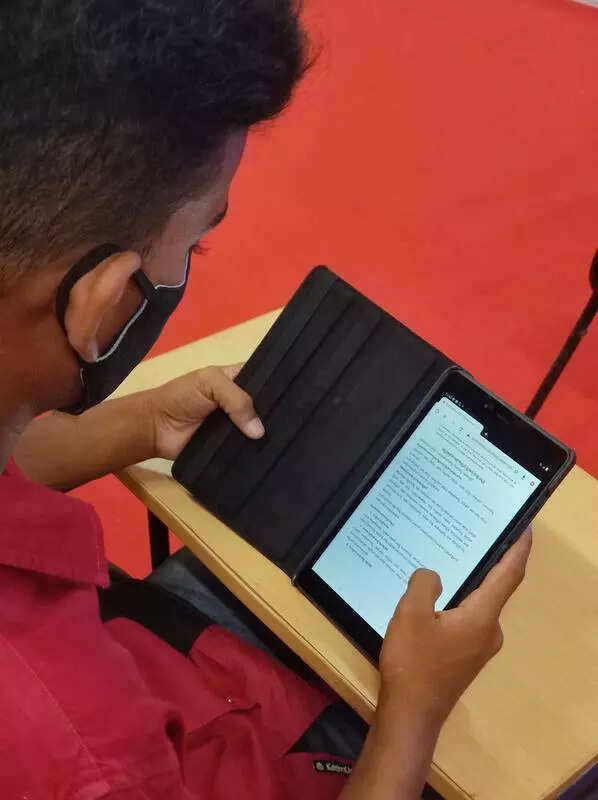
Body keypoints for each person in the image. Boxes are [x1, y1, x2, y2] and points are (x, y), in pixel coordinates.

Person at [0, 2, 531, 798]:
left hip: (139, 654)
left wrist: (142, 422)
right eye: (195, 241)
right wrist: (415, 709)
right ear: (100, 304)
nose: (189, 261)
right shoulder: (87, 762)